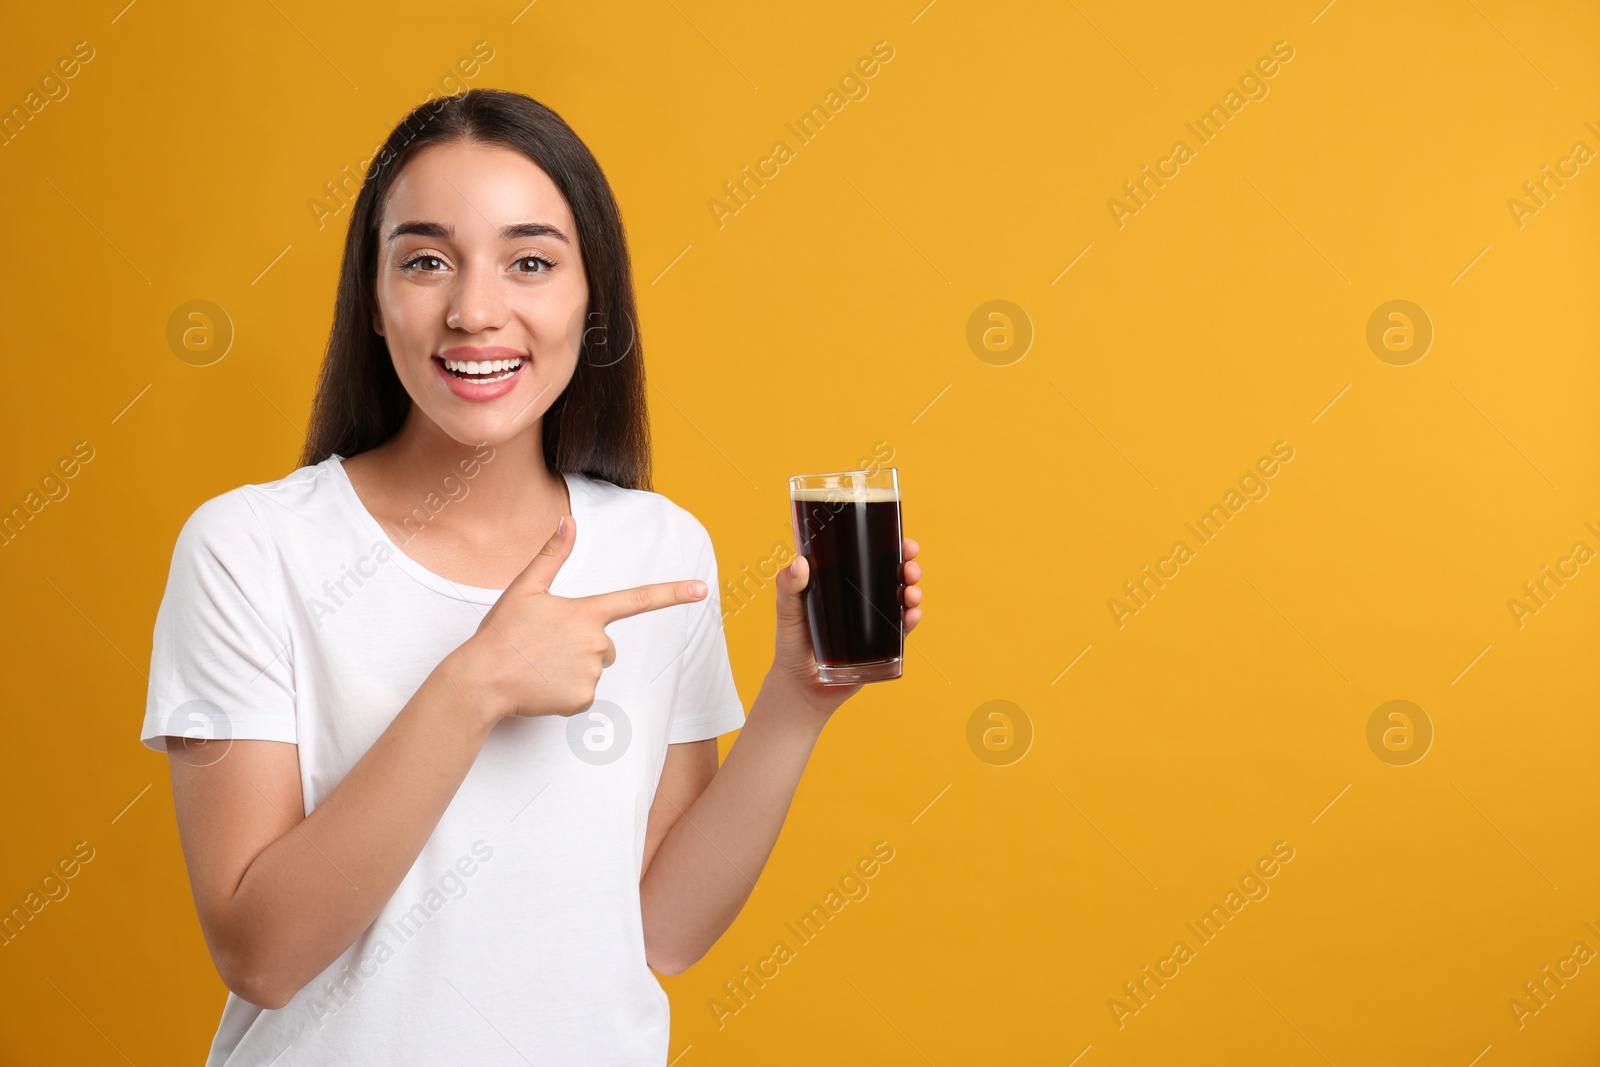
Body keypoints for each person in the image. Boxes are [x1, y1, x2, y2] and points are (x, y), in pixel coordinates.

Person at [138, 88, 925, 1065]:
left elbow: (661, 930)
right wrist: (475, 684)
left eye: (531, 262)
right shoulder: (247, 547)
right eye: (425, 260)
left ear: (591, 302)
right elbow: (260, 953)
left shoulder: (657, 549)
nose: (475, 310)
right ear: (373, 303)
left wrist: (797, 702)